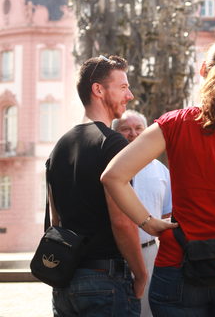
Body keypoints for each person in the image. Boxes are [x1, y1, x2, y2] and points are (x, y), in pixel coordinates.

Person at [101, 39, 215, 316]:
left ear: (203, 70)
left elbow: (112, 176)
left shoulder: (173, 123)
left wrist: (148, 223)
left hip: (179, 264)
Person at [46, 55, 143, 316]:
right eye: (123, 87)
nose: (130, 95)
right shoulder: (112, 144)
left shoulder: (59, 146)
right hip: (105, 279)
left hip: (65, 283)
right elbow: (122, 222)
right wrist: (141, 274)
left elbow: (55, 221)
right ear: (98, 90)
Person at [113, 110, 172, 317]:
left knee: (147, 311)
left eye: (139, 128)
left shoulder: (160, 170)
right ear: (115, 133)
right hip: (114, 253)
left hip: (149, 251)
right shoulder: (109, 168)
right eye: (125, 129)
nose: (133, 134)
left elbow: (168, 214)